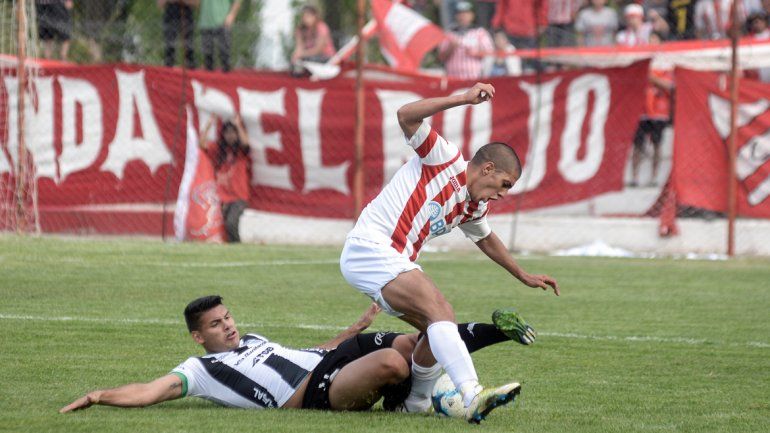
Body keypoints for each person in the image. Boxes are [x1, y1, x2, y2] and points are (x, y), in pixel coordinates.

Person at [340, 83, 560, 421]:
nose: (502, 194)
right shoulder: (444, 158)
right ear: (488, 169)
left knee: (436, 329)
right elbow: (405, 115)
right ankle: (472, 394)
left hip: (389, 260)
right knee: (441, 308)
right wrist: (462, 100)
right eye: (504, 184)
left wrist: (523, 275)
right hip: (370, 246)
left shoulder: (472, 207)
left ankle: (411, 405)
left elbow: (486, 239)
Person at [59, 295, 535, 416]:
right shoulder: (199, 370)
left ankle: (494, 335)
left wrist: (350, 332)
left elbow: (309, 351)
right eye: (215, 324)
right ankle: (425, 397)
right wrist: (101, 395)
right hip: (311, 395)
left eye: (227, 317)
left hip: (326, 364)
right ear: (197, 338)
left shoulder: (253, 340)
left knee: (413, 339)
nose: (228, 325)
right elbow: (150, 391)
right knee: (395, 362)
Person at [630, 34, 673, 188]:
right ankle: (634, 177)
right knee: (638, 145)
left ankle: (654, 177)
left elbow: (669, 86)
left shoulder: (666, 62)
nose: (651, 43)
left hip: (659, 110)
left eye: (654, 40)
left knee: (657, 145)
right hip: (641, 109)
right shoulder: (640, 60)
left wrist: (650, 78)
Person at [199, 115, 251, 243]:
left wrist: (238, 125)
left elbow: (246, 144)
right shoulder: (220, 150)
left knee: (231, 223)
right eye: (227, 133)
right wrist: (208, 125)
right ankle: (230, 249)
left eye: (233, 133)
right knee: (220, 226)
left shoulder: (240, 152)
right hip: (221, 197)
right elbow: (201, 145)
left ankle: (237, 248)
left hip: (238, 197)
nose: (230, 136)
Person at [438, 2, 494, 80]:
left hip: (475, 77)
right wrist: (451, 47)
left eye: (466, 13)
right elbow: (441, 57)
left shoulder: (480, 32)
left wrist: (475, 52)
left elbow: (490, 53)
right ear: (456, 16)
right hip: (453, 78)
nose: (463, 16)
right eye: (460, 13)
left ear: (472, 15)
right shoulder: (449, 33)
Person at [198, 0, 242, 71]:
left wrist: (232, 15)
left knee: (225, 58)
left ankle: (227, 79)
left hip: (223, 22)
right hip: (205, 23)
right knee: (208, 59)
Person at [159, 0, 198, 68]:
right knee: (169, 48)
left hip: (186, 15)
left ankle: (190, 69)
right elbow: (160, 4)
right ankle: (168, 70)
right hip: (170, 15)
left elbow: (196, 3)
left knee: (189, 47)